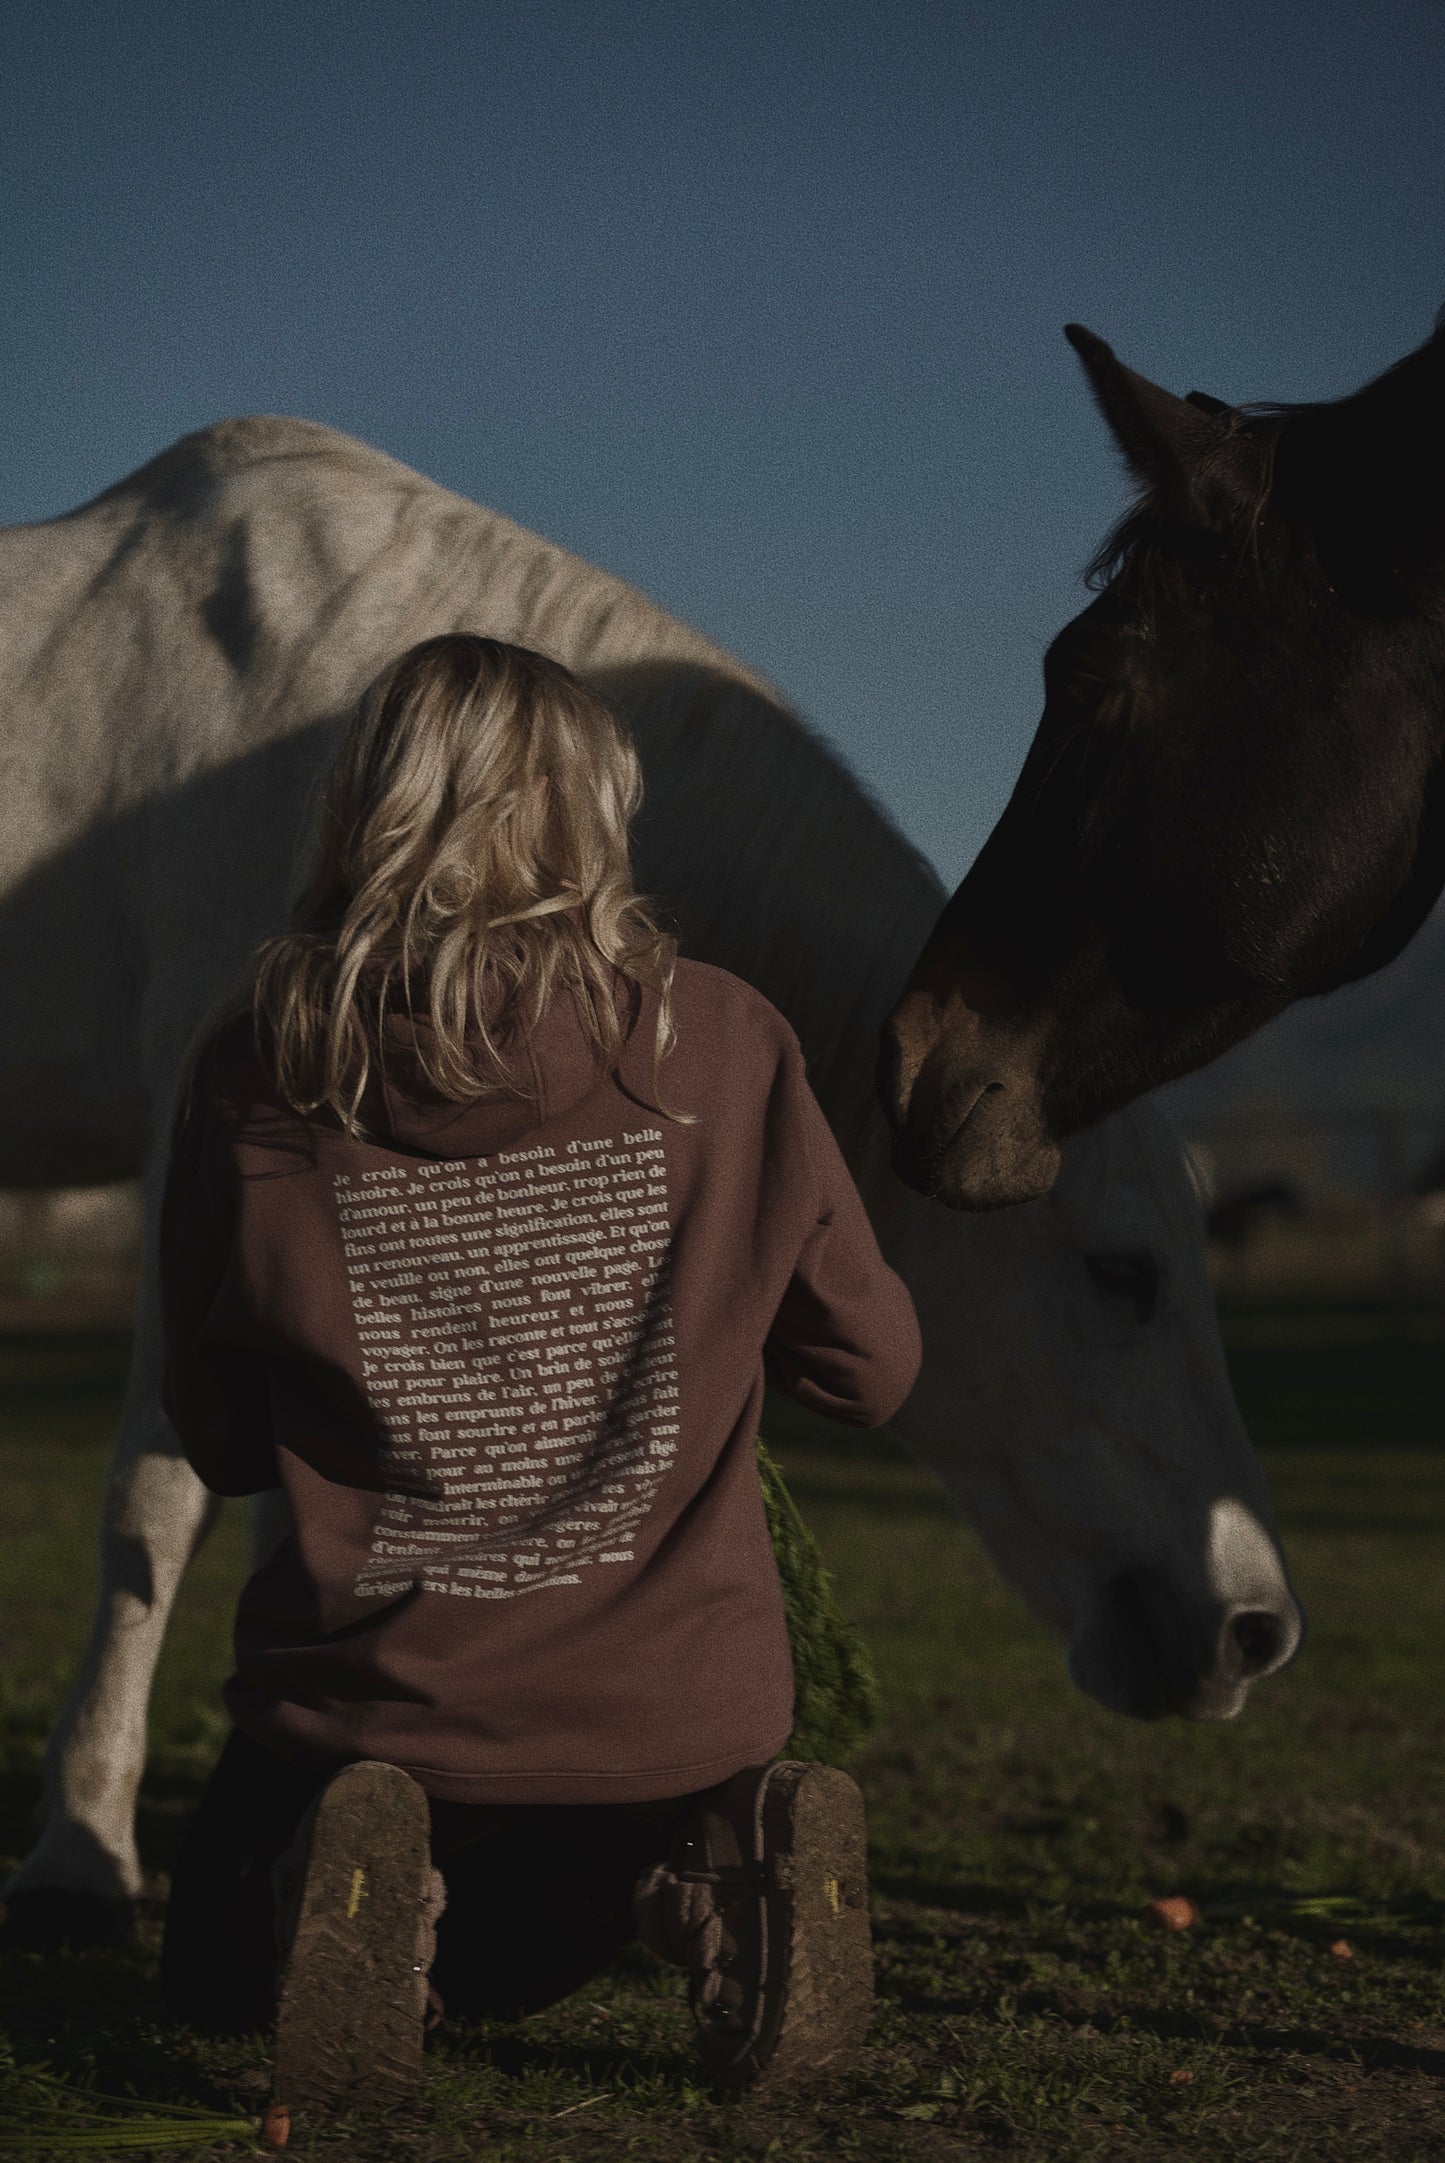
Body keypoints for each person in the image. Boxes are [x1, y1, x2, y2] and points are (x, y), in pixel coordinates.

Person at [156, 634, 922, 2111]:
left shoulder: (257, 1070)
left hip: (373, 1701)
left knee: (213, 1977)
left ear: (360, 810)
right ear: (593, 814)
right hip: (668, 1712)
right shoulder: (721, 1040)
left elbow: (221, 1432)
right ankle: (705, 1865)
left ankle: (381, 1870)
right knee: (560, 1891)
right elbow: (872, 1370)